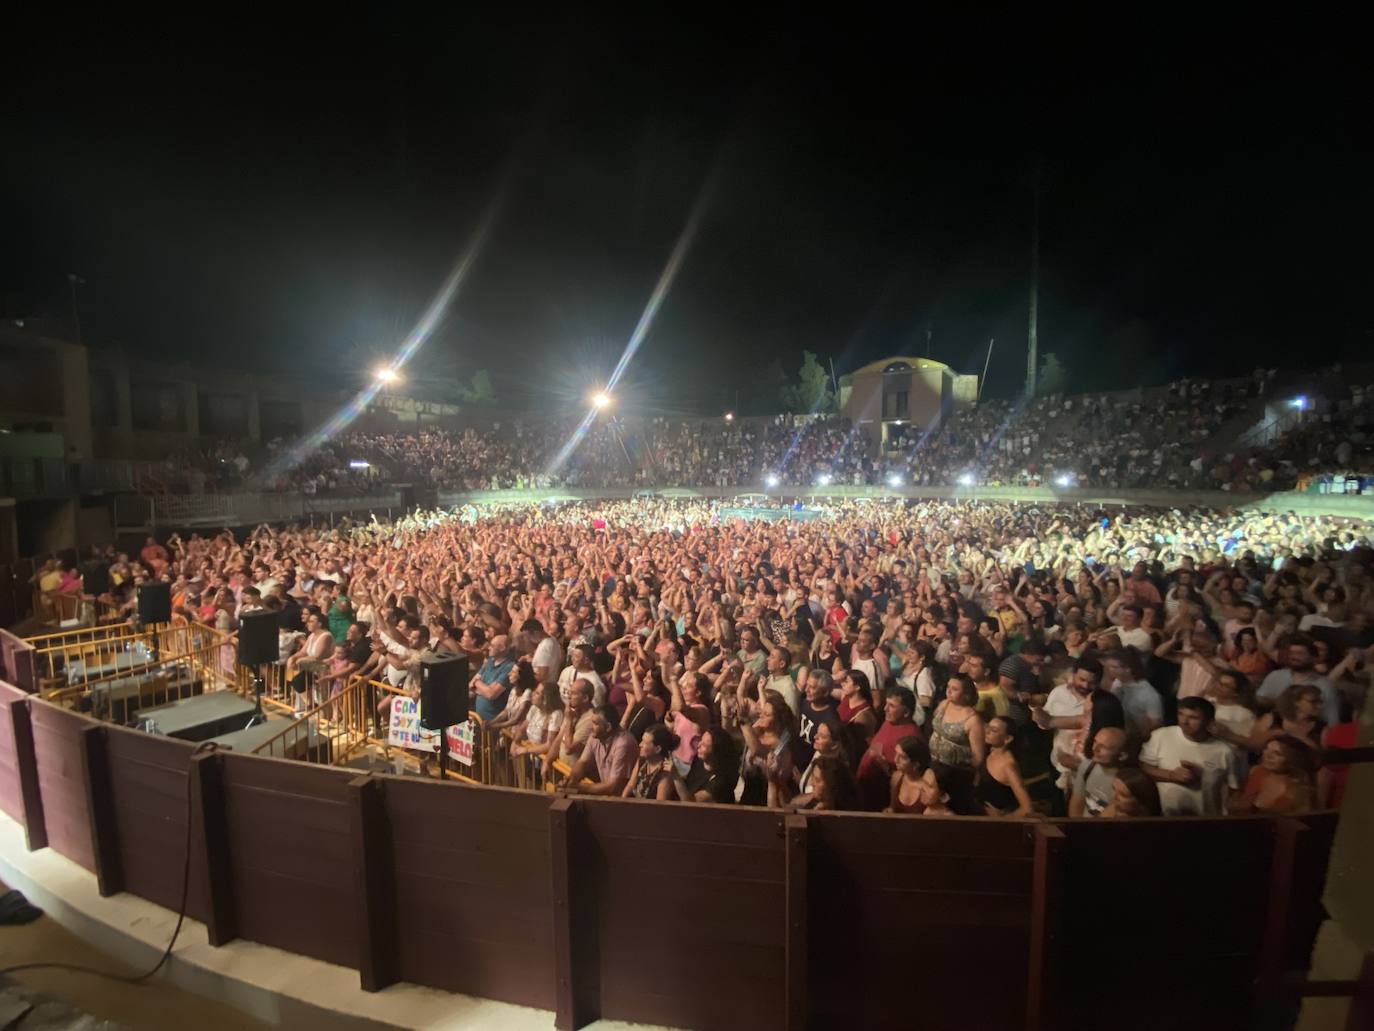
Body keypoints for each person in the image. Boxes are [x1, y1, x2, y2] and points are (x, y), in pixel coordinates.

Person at [1139, 697, 1238, 816]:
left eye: (1193, 717)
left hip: (1206, 819)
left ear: (1209, 721)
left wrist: (1203, 777)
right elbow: (1144, 768)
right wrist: (1171, 775)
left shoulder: (1224, 751)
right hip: (1165, 818)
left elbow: (1234, 790)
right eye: (1181, 714)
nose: (1184, 721)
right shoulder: (1161, 736)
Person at [856, 687, 920, 810]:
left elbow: (907, 778)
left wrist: (882, 763)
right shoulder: (889, 722)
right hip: (866, 786)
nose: (885, 709)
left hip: (881, 793)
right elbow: (878, 744)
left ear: (906, 712)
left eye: (892, 706)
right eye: (886, 704)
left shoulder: (911, 737)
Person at [928, 674, 984, 815]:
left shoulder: (973, 720)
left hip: (955, 774)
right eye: (948, 687)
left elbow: (978, 757)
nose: (949, 691)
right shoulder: (944, 704)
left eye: (955, 689)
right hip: (935, 765)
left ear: (966, 694)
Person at [1257, 637, 1340, 727]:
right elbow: (1260, 702)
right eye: (1291, 653)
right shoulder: (1275, 675)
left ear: (1313, 658)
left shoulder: (1325, 685)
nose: (1294, 657)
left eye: (1300, 653)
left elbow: (1332, 722)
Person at [1231, 735, 1315, 814]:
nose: (1268, 755)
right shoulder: (1257, 771)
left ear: (1292, 759)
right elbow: (1242, 806)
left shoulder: (1299, 790)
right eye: (1266, 749)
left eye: (1277, 753)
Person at [565, 704, 636, 796]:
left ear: (608, 727)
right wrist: (571, 779)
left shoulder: (624, 744)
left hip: (626, 801)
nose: (591, 727)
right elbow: (583, 762)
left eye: (595, 724)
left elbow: (613, 787)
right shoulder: (595, 736)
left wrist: (579, 787)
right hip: (609, 797)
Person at [977, 715, 1034, 816]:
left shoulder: (1008, 767)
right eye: (988, 726)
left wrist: (1004, 819)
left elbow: (1027, 808)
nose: (987, 731)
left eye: (994, 730)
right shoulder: (989, 750)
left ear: (1007, 739)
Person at [1067, 726, 1129, 818]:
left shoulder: (1125, 781)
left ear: (1122, 756)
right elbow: (1076, 805)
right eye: (1095, 742)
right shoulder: (1087, 766)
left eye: (1103, 747)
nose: (1095, 749)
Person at [623, 723, 681, 801]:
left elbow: (659, 805)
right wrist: (621, 802)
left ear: (657, 749)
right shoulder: (642, 761)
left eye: (645, 743)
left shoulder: (665, 773)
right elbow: (630, 785)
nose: (640, 745)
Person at [470, 634, 516, 723]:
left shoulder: (509, 667)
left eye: (492, 645)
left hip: (493, 722)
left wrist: (477, 683)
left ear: (502, 648)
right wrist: (483, 688)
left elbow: (491, 694)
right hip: (478, 719)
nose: (488, 648)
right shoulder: (490, 661)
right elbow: (471, 685)